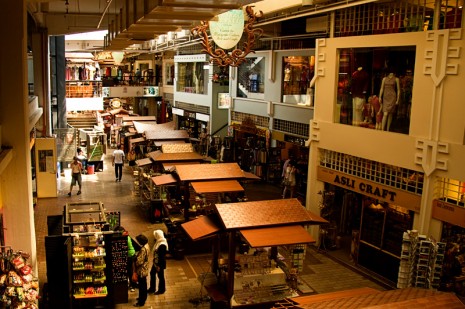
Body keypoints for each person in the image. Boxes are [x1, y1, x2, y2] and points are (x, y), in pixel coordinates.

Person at [114, 226, 137, 292]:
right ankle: (131, 284)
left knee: (130, 271)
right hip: (131, 254)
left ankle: (132, 285)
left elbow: (124, 246)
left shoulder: (125, 237)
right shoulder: (127, 236)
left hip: (130, 255)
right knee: (129, 270)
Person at [148, 230, 168, 295]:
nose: (154, 237)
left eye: (155, 236)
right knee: (152, 273)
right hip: (156, 263)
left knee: (160, 276)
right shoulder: (158, 242)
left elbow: (162, 257)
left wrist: (159, 266)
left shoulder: (162, 245)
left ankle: (161, 290)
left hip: (159, 264)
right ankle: (152, 288)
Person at [133, 234, 149, 307]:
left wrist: (136, 260)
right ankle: (143, 298)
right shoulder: (147, 246)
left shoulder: (143, 249)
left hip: (141, 270)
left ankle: (141, 302)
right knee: (144, 285)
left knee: (142, 286)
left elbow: (139, 261)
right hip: (145, 268)